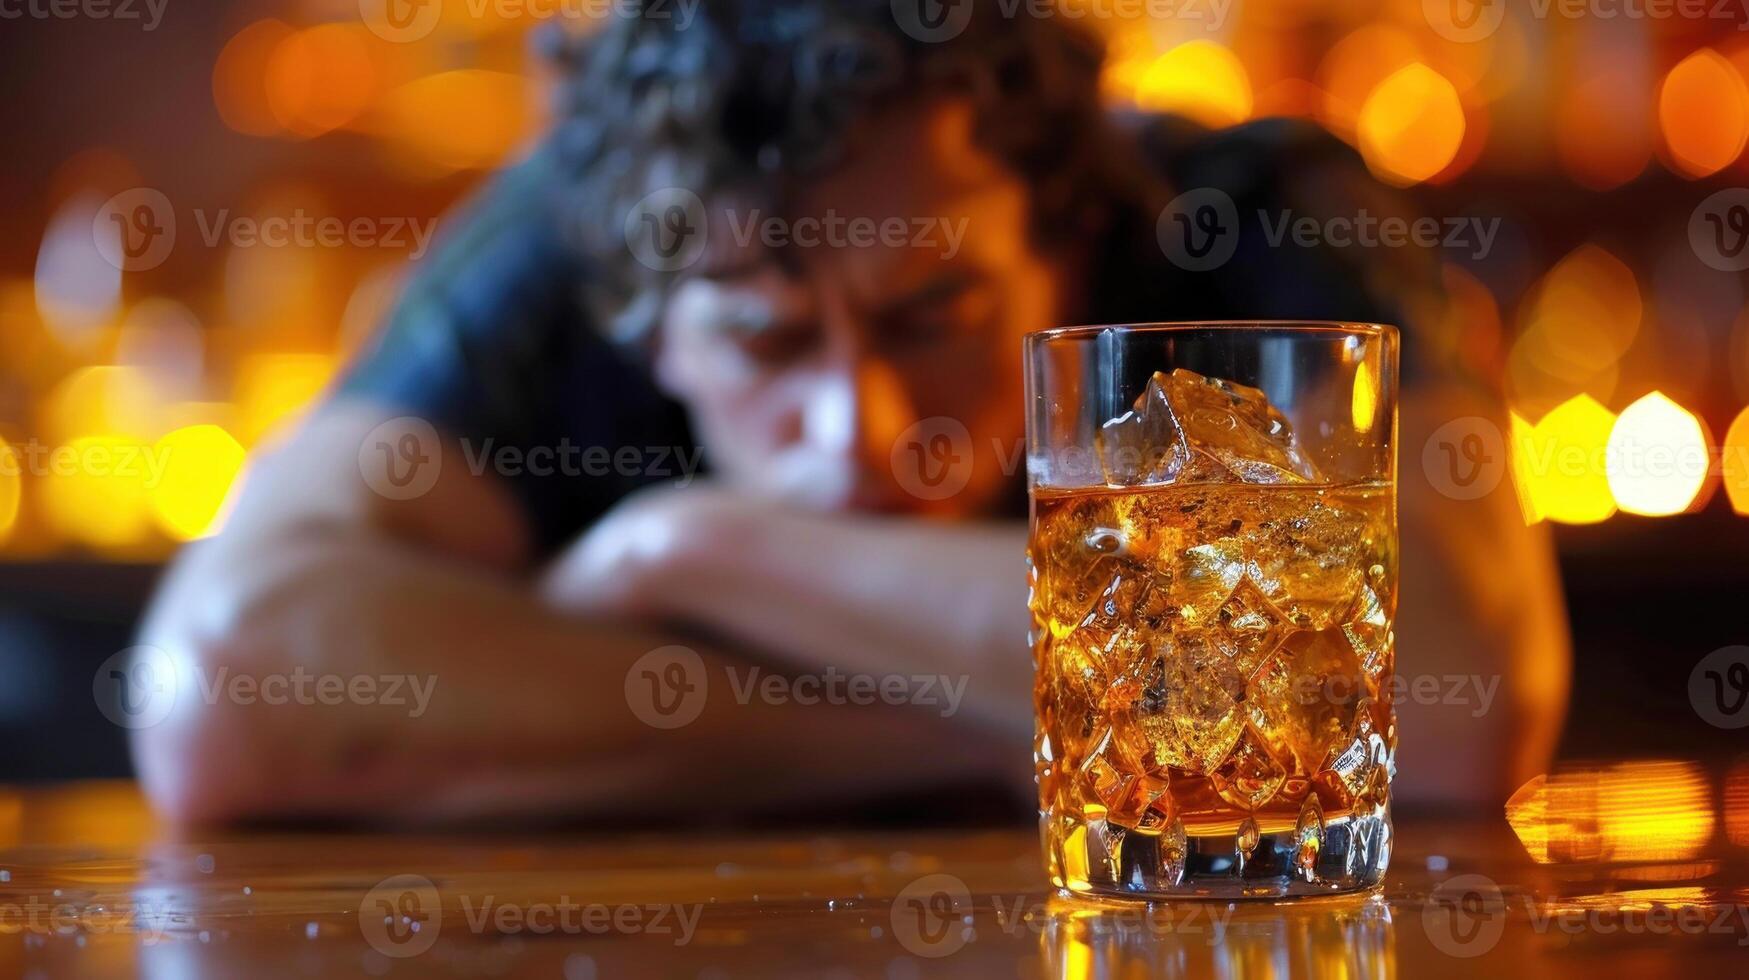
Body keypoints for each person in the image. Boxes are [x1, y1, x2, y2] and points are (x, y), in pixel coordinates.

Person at [133, 1, 1569, 824]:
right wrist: (1047, 722)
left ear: (1062, 249)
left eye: (930, 317)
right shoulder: (577, 232)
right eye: (760, 340)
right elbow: (225, 697)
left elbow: (1456, 704)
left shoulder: (1246, 215)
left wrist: (695, 553)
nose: (860, 429)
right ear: (646, 320)